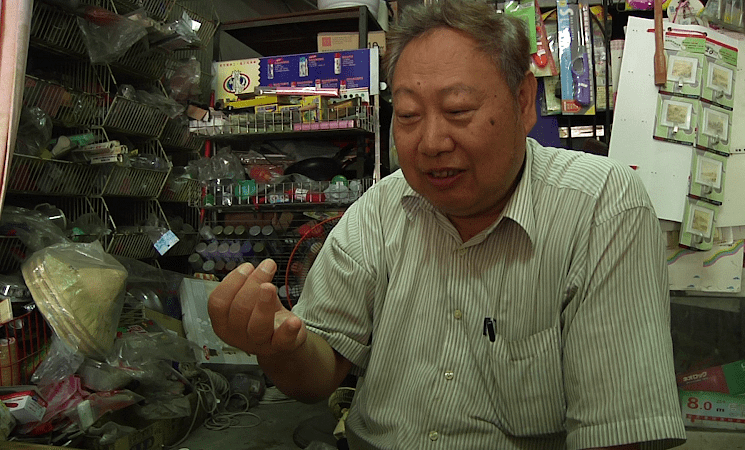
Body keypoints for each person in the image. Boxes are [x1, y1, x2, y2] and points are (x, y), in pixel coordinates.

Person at [208, 1, 687, 448]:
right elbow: (319, 374)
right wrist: (279, 346)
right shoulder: (378, 212)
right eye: (409, 115)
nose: (431, 142)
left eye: (458, 110)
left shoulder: (601, 207)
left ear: (524, 101)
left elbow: (621, 431)